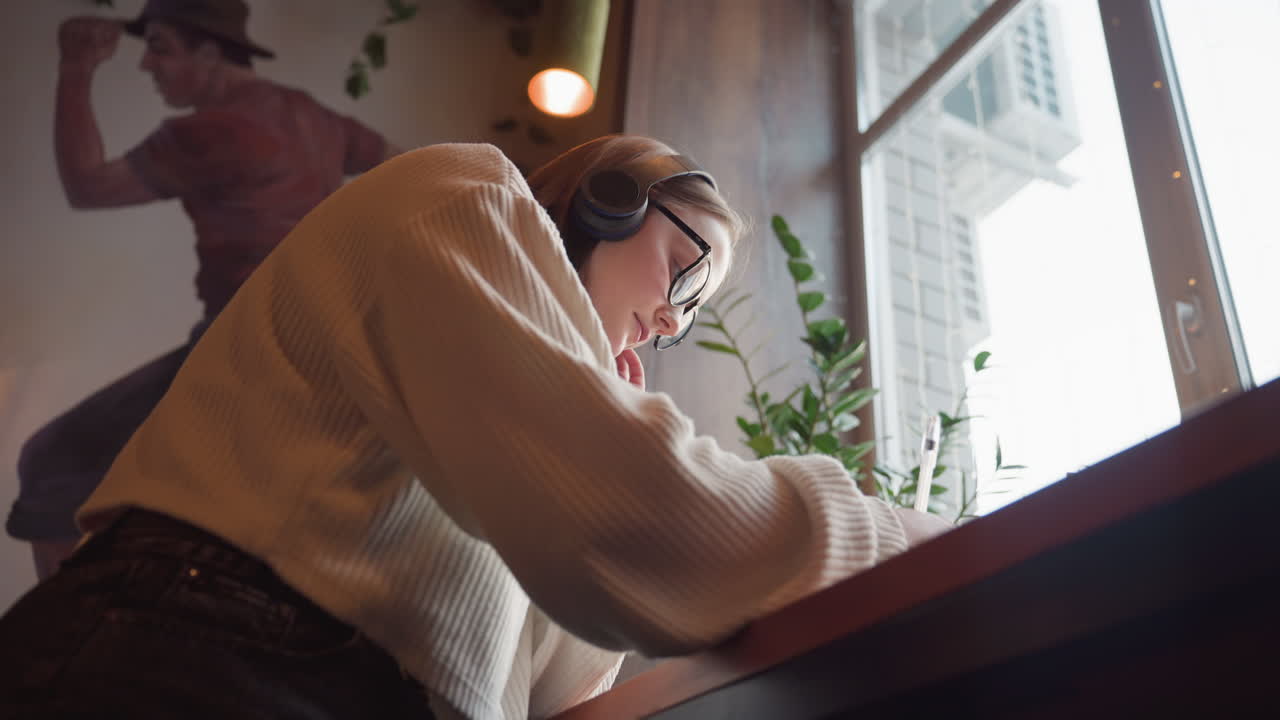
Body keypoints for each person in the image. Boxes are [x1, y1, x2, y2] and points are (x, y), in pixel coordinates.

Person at [0, 134, 950, 720]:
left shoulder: (517, 421)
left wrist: (603, 403)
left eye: (695, 313)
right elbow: (623, 525)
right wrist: (888, 534)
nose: (674, 321)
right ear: (608, 200)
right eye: (684, 271)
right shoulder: (464, 197)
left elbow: (563, 679)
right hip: (206, 652)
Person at [9, 0, 398, 578]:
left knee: (51, 462)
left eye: (160, 47)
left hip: (242, 346)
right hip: (313, 341)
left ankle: (50, 641)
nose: (147, 66)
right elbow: (405, 166)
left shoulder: (213, 130)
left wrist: (76, 68)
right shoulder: (309, 115)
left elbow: (88, 185)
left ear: (210, 52)